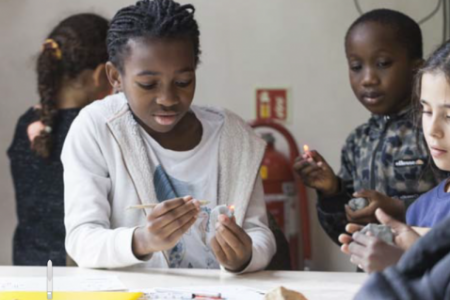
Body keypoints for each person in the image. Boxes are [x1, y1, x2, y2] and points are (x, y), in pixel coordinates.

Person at [62, 0, 276, 273]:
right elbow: (81, 239)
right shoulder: (97, 128)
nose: (168, 99)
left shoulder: (234, 137)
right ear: (115, 76)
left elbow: (260, 233)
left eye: (183, 82)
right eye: (148, 84)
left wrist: (245, 256)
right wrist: (142, 240)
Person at [293, 9, 446, 244]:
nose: (368, 79)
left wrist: (398, 208)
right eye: (356, 67)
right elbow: (346, 234)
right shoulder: (358, 142)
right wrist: (331, 192)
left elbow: (443, 206)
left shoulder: (432, 135)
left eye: (383, 63)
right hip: (372, 272)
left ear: (417, 70)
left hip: (427, 271)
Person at [7, 13, 111, 266]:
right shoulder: (95, 127)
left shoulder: (27, 123)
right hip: (80, 272)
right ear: (100, 75)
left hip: (27, 270)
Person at [340, 39, 450, 275]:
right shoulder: (421, 209)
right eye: (427, 111)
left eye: (449, 116)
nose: (432, 129)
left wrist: (407, 265)